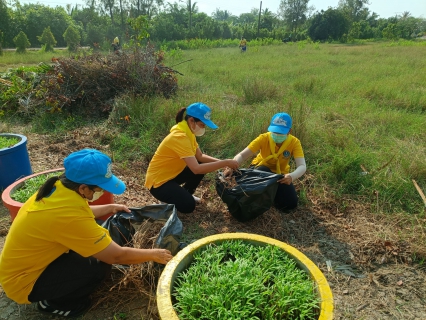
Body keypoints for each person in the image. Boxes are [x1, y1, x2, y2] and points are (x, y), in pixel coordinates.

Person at [0, 149, 172, 318]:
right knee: (99, 266)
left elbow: (80, 211)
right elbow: (116, 257)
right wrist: (154, 254)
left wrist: (110, 207)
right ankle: (54, 303)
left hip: (31, 262)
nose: (103, 192)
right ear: (83, 188)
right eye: (99, 189)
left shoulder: (58, 187)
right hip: (24, 282)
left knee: (96, 238)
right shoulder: (66, 216)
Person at [145, 102, 239, 214]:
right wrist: (225, 162)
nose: (203, 128)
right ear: (191, 121)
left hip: (170, 175)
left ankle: (184, 193)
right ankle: (167, 199)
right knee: (188, 206)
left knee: (200, 162)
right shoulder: (180, 137)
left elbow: (200, 156)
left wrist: (225, 164)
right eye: (202, 125)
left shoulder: (189, 133)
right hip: (158, 183)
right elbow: (196, 169)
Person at [226, 112, 306, 212]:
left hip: (279, 174)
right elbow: (242, 155)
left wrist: (291, 176)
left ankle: (269, 195)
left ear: (289, 131)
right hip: (260, 169)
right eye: (274, 132)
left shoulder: (294, 142)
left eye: (280, 133)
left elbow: (302, 166)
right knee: (263, 170)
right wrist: (232, 164)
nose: (277, 135)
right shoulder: (264, 138)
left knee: (290, 204)